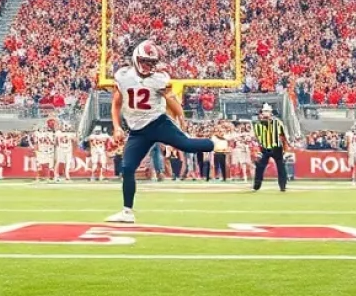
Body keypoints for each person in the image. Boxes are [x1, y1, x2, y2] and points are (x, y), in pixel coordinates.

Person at [106, 40, 225, 223]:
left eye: (152, 62)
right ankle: (127, 212)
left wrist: (181, 117)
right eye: (145, 61)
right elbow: (116, 103)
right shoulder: (123, 76)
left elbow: (172, 101)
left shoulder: (159, 79)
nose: (149, 66)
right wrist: (116, 127)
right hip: (137, 130)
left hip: (158, 123)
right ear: (136, 58)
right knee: (127, 168)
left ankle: (215, 143)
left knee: (187, 145)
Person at [251, 103, 290, 193]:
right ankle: (256, 186)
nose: (266, 113)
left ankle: (283, 186)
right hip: (264, 149)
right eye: (264, 111)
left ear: (271, 113)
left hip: (276, 148)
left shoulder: (278, 123)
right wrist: (257, 150)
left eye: (267, 111)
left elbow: (283, 137)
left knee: (281, 167)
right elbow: (257, 139)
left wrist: (286, 150)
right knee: (259, 167)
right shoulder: (257, 125)